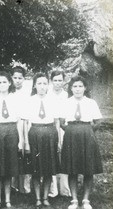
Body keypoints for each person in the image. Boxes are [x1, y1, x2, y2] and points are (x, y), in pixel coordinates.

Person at [60, 76, 103, 209]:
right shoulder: (66, 102)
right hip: (71, 134)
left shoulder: (91, 103)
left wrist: (87, 130)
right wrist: (72, 131)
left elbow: (98, 122)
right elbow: (62, 123)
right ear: (71, 88)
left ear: (85, 88)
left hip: (87, 134)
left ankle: (85, 200)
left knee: (88, 168)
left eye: (80, 86)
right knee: (72, 169)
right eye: (75, 86)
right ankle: (73, 200)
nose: (77, 89)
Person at [0, 71, 24, 208]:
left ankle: (7, 199)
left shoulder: (15, 99)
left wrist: (21, 140)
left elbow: (19, 122)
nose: (2, 84)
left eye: (5, 82)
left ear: (9, 83)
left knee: (8, 167)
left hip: (11, 131)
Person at [23, 72, 60, 208]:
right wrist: (26, 142)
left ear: (48, 85)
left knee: (49, 168)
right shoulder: (30, 100)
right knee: (36, 168)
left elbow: (56, 122)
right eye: (39, 83)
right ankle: (38, 198)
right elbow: (26, 123)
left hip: (50, 133)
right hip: (35, 133)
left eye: (45, 83)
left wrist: (59, 141)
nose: (42, 86)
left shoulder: (53, 100)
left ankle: (45, 197)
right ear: (34, 85)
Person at [47, 70, 71, 198]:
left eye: (60, 80)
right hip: (50, 128)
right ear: (51, 81)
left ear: (64, 81)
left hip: (63, 128)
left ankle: (65, 189)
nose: (57, 83)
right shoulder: (47, 95)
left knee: (64, 157)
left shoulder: (67, 95)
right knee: (51, 156)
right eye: (55, 80)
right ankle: (53, 189)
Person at [10, 66, 32, 194]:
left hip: (25, 124)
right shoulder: (9, 93)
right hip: (12, 126)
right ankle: (13, 184)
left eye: (20, 78)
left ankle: (25, 186)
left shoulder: (27, 94)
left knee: (25, 154)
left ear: (24, 79)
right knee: (14, 154)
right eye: (15, 78)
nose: (17, 81)